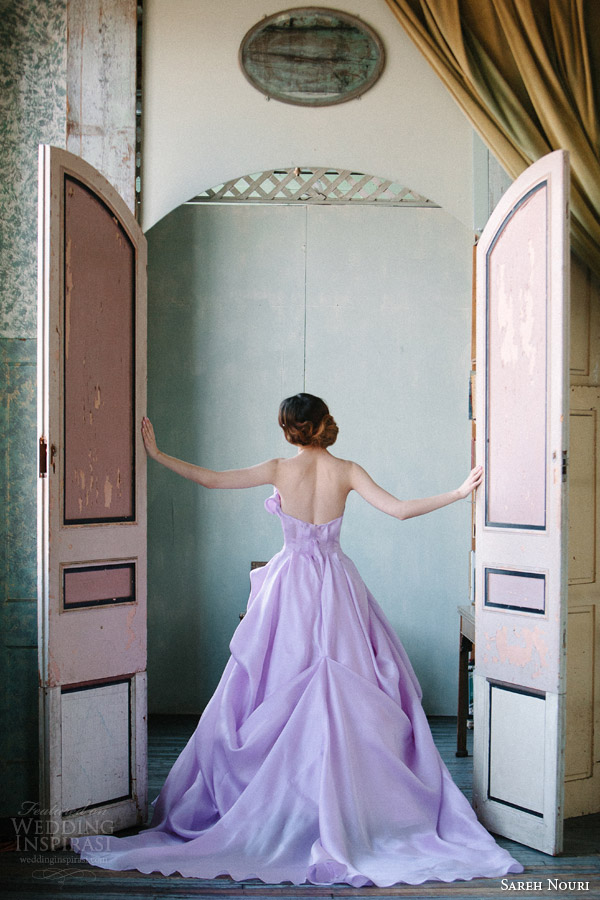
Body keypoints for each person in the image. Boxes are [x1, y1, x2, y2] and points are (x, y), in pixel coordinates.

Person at [72, 393, 523, 887]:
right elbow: (398, 510)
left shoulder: (277, 468)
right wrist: (458, 493)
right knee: (349, 682)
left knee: (271, 682)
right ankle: (359, 809)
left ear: (288, 429)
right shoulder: (346, 469)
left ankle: (279, 803)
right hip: (335, 584)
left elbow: (212, 479)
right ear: (323, 423)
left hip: (289, 584)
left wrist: (158, 456)